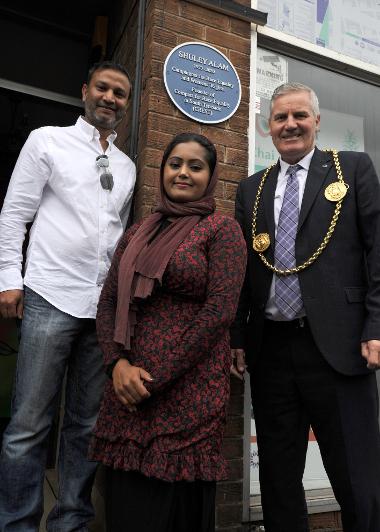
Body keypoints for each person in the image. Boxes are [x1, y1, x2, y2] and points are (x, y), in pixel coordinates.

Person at [231, 82, 380, 531]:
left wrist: (376, 323)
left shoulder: (352, 170)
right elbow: (241, 273)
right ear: (268, 128)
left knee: (357, 475)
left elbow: (377, 252)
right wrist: (238, 336)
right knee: (278, 475)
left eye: (299, 116)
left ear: (317, 121)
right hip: (272, 350)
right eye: (280, 118)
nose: (290, 125)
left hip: (340, 347)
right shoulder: (251, 189)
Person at [0, 60, 136, 531]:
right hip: (49, 296)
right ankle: (17, 524)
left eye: (120, 93)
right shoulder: (46, 140)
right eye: (103, 88)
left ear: (126, 103)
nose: (110, 98)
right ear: (85, 91)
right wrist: (8, 279)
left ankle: (71, 522)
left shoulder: (127, 166)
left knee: (86, 427)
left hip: (101, 310)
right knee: (28, 426)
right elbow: (14, 213)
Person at [88, 132, 247, 532]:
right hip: (128, 387)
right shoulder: (140, 231)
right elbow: (108, 301)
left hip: (189, 390)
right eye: (175, 163)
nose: (183, 173)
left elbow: (219, 312)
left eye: (196, 166)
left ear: (210, 176)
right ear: (162, 171)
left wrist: (156, 376)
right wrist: (116, 364)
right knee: (128, 505)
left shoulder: (222, 230)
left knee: (175, 510)